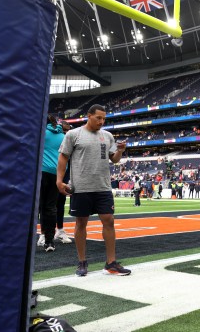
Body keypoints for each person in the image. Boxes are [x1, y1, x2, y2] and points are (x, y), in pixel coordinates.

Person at [56, 104, 131, 277]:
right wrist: (59, 181)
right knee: (81, 223)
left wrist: (120, 151)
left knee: (109, 220)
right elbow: (63, 157)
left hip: (103, 186)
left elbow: (115, 160)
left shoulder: (107, 136)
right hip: (81, 187)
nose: (102, 121)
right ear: (89, 116)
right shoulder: (73, 134)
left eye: (104, 118)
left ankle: (111, 263)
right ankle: (82, 262)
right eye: (98, 118)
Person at [38, 115, 67, 252]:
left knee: (36, 208)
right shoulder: (63, 136)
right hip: (56, 174)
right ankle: (49, 242)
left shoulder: (41, 133)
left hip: (41, 172)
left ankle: (38, 237)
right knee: (50, 207)